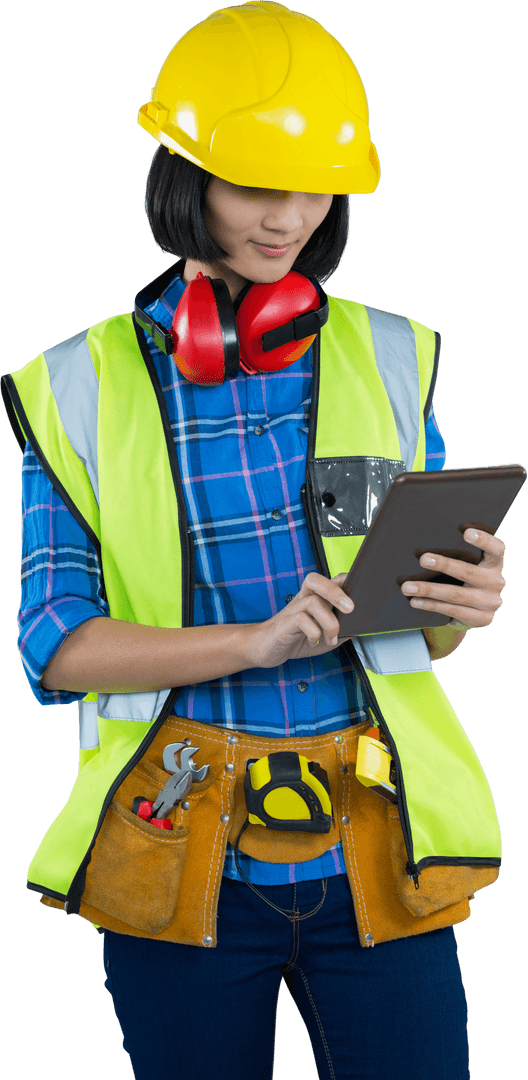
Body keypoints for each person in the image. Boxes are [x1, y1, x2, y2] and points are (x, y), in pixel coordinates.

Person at [1, 4, 507, 1079]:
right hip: (180, 852)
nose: (288, 220)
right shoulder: (77, 387)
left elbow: (411, 634)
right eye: (255, 188)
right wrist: (251, 642)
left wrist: (458, 601)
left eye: (314, 188)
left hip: (381, 846)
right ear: (184, 180)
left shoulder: (389, 354)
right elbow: (54, 643)